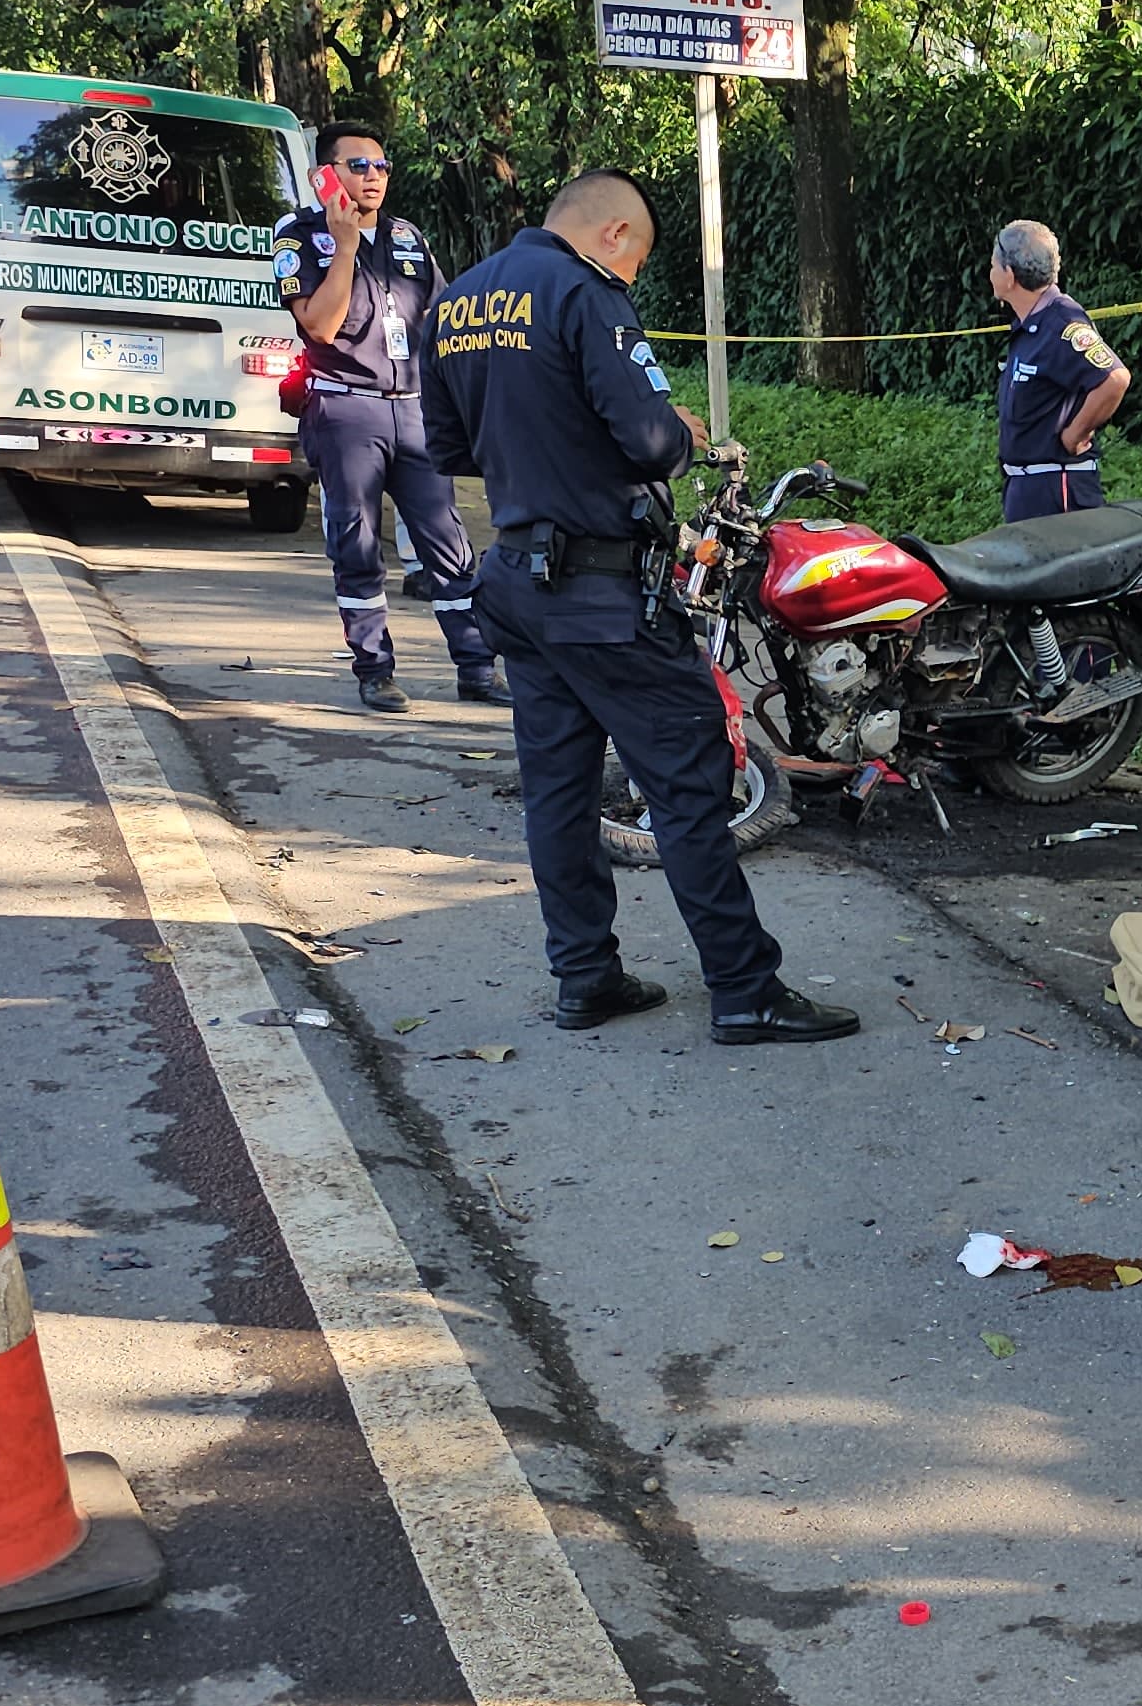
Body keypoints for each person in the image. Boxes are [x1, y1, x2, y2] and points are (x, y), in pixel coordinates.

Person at [423, 170, 858, 1047]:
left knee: (558, 791)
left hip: (518, 581)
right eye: (639, 256)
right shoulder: (587, 294)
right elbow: (653, 441)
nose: (635, 273)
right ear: (614, 233)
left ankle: (584, 976)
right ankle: (745, 989)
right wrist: (680, 430)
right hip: (602, 591)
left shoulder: (459, 299)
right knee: (691, 782)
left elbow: (448, 444)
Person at [274, 121, 500, 714]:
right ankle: (375, 669)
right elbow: (320, 325)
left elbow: (444, 319)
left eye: (381, 166)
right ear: (324, 175)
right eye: (358, 166)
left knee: (449, 544)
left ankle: (476, 666)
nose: (373, 177)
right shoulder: (300, 235)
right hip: (347, 409)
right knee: (358, 543)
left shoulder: (406, 235)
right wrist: (344, 247)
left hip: (416, 411)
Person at [987, 219, 1132, 520]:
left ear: (1010, 275)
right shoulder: (1030, 326)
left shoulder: (1062, 322)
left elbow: (1114, 379)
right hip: (1027, 488)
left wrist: (1074, 434)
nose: (989, 274)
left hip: (1058, 488)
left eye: (992, 265)